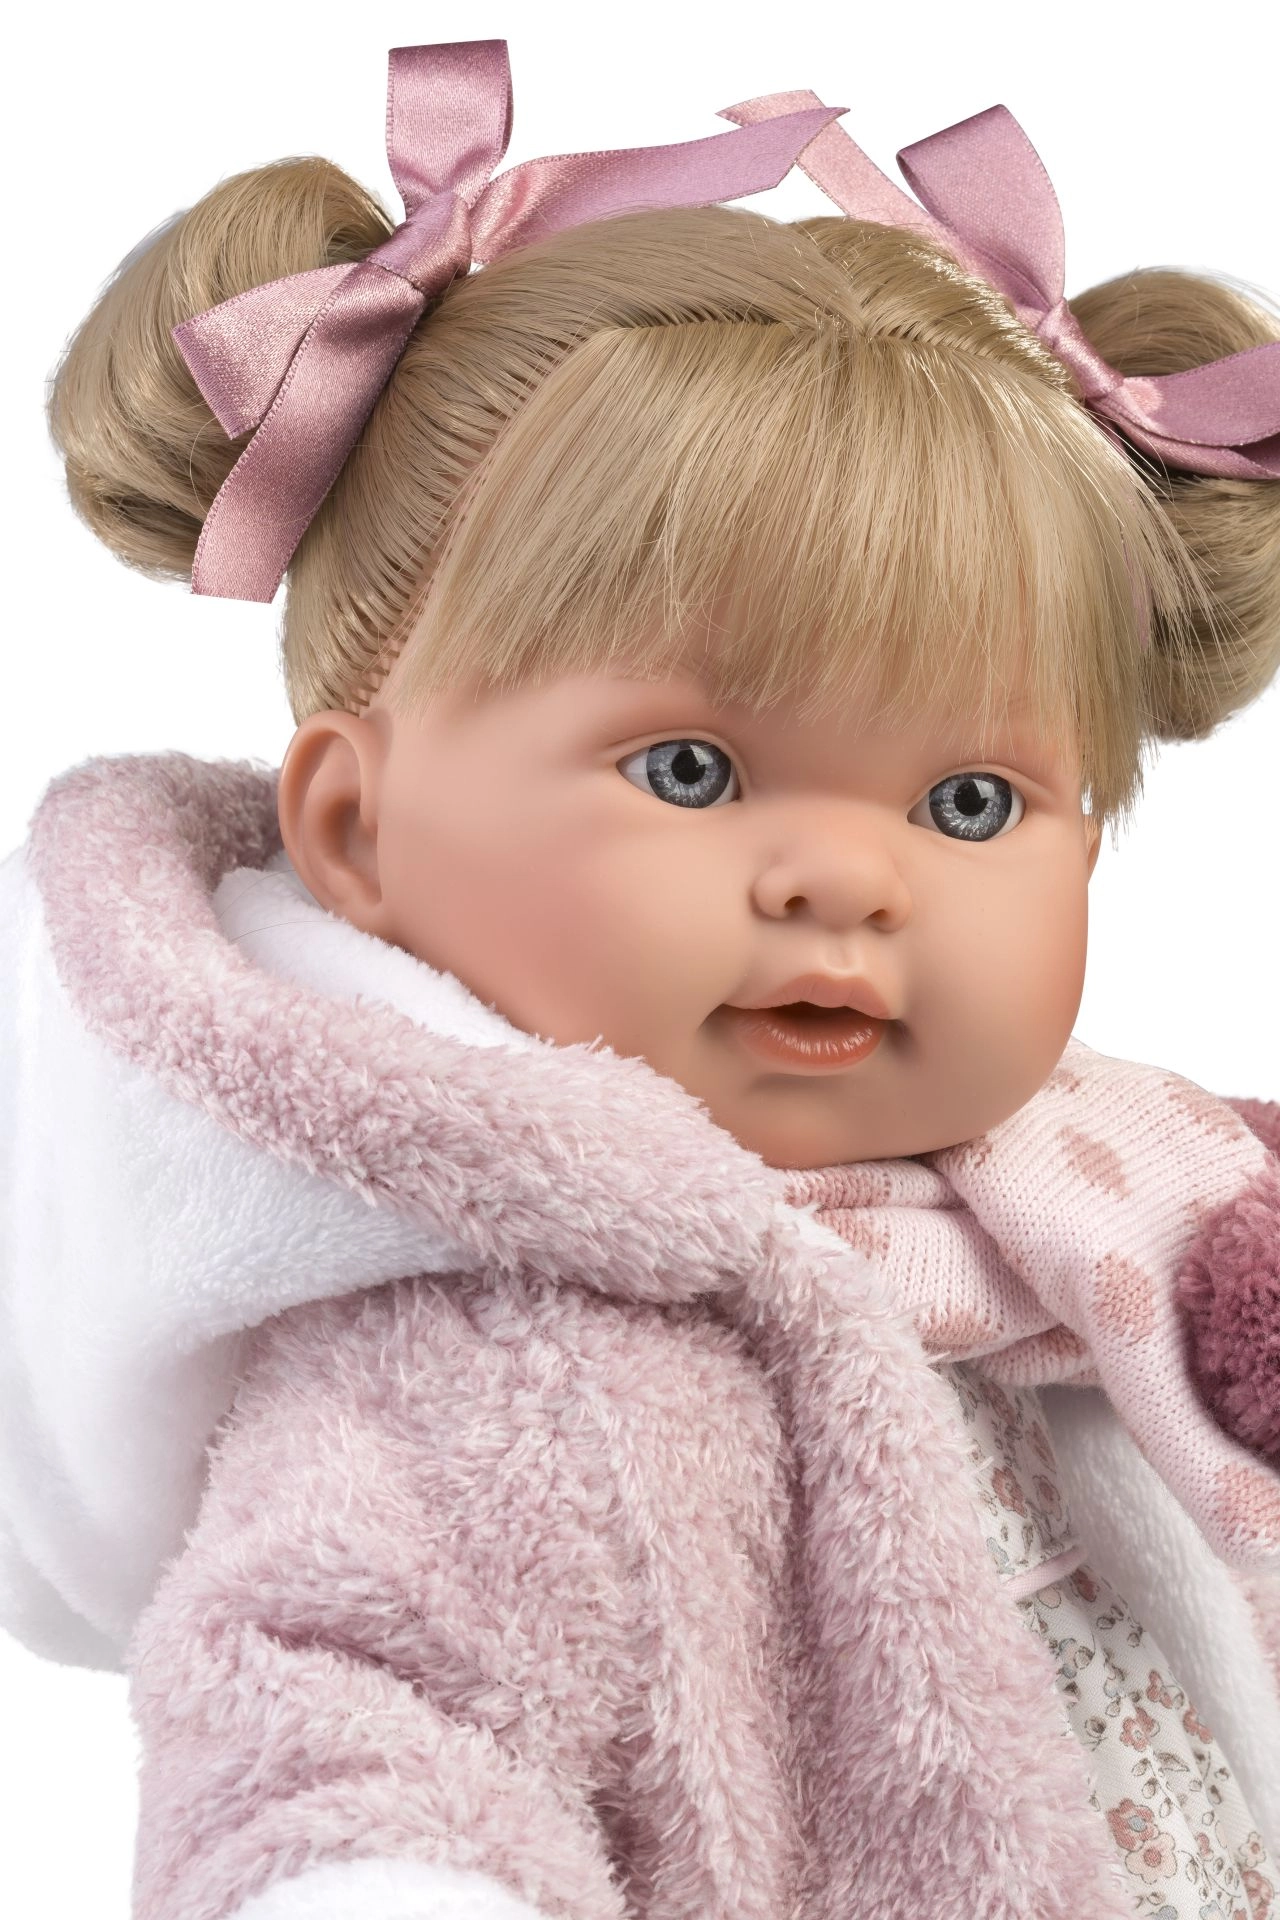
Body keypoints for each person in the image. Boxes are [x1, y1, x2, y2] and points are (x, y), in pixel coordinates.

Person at [2, 38, 1278, 1920]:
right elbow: (341, 1727)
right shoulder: (495, 1366)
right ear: (355, 827)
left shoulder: (1133, 1218)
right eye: (689, 770)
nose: (847, 877)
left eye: (969, 801)